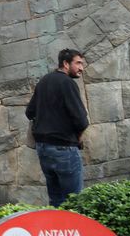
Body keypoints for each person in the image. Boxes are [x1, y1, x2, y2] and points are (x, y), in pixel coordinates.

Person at [25, 49, 89, 206]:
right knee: (74, 202)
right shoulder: (68, 83)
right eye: (78, 63)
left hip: (44, 149)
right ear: (66, 64)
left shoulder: (44, 81)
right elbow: (81, 120)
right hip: (64, 149)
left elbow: (29, 112)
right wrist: (79, 136)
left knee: (56, 201)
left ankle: (58, 230)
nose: (82, 68)